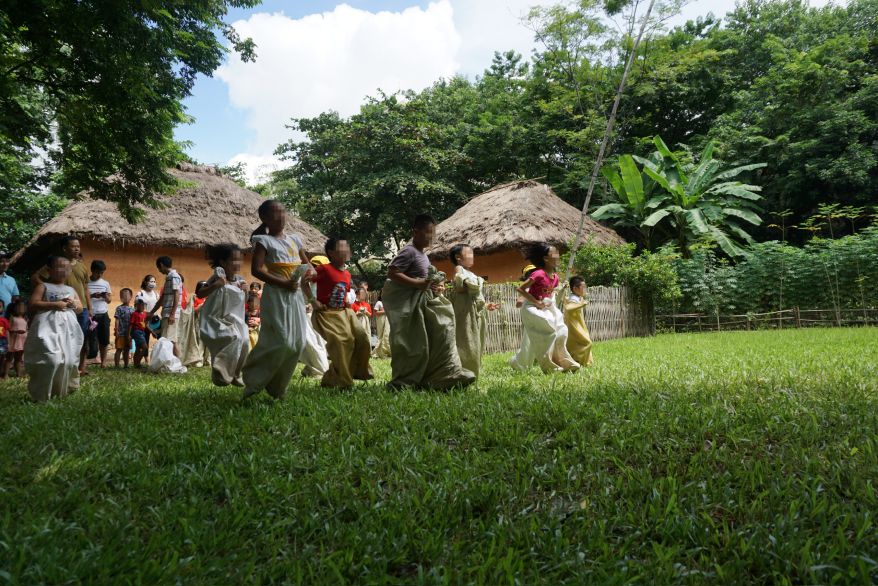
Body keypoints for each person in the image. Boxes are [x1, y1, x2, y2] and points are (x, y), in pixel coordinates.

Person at [383, 214, 475, 389]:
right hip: (414, 308)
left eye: (433, 233)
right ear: (415, 232)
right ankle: (406, 381)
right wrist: (418, 283)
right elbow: (392, 273)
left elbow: (423, 278)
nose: (431, 237)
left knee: (441, 336)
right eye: (427, 233)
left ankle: (442, 375)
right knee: (418, 343)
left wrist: (434, 284)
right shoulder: (408, 251)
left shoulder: (422, 254)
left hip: (426, 304)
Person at [241, 200, 311, 400]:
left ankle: (277, 389)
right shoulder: (263, 240)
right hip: (276, 295)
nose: (281, 217)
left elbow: (307, 265)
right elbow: (257, 269)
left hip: (295, 295)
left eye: (283, 212)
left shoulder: (295, 240)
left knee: (297, 343)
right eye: (275, 213)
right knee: (282, 341)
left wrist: (309, 274)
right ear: (264, 218)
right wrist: (283, 283)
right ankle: (253, 380)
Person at [306, 237, 373, 388]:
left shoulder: (347, 274)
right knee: (342, 342)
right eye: (342, 248)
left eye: (347, 247)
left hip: (345, 312)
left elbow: (344, 292)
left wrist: (349, 302)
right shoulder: (324, 269)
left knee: (362, 338)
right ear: (331, 253)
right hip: (327, 313)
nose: (347, 250)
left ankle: (351, 373)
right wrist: (313, 301)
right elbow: (304, 282)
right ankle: (343, 381)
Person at [510, 243, 580, 374]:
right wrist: (536, 302)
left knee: (561, 331)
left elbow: (549, 294)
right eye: (554, 254)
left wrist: (549, 300)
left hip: (544, 308)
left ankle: (564, 361)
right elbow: (521, 289)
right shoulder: (538, 274)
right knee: (550, 332)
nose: (558, 256)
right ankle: (549, 367)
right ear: (546, 259)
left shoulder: (555, 277)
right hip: (531, 308)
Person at [24, 255, 84, 402]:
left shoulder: (70, 289)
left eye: (67, 268)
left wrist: (73, 304)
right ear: (49, 270)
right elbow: (32, 304)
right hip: (47, 327)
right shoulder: (43, 286)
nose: (64, 270)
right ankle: (42, 394)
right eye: (59, 267)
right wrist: (55, 305)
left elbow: (80, 308)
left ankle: (60, 392)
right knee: (51, 359)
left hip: (68, 329)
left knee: (68, 360)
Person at [32, 235, 92, 376]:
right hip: (58, 309)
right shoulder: (56, 264)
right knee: (59, 337)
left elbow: (86, 288)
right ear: (65, 248)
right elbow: (35, 277)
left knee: (80, 337)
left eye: (78, 246)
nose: (77, 248)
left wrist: (90, 308)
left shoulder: (82, 267)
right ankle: (59, 364)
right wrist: (46, 287)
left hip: (79, 307)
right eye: (73, 246)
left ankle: (79, 367)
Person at [197, 243, 249, 387]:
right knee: (233, 338)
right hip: (216, 318)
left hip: (235, 319)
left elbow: (242, 302)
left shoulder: (240, 281)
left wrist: (245, 291)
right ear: (223, 262)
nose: (238, 263)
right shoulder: (217, 277)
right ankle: (220, 372)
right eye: (233, 260)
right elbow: (200, 293)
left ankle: (237, 374)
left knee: (244, 340)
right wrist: (216, 285)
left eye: (240, 260)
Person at [448, 243, 499, 378]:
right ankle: (464, 372)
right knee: (466, 340)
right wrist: (471, 285)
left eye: (473, 254)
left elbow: (475, 296)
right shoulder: (459, 268)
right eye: (469, 254)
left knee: (476, 341)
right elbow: (459, 286)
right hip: (465, 311)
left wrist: (487, 305)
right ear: (458, 257)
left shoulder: (471, 273)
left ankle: (473, 370)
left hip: (475, 310)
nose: (472, 257)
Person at [148, 256, 182, 358]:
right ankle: (177, 362)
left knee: (168, 340)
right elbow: (162, 298)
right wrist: (152, 312)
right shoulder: (169, 278)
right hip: (167, 313)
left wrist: (172, 314)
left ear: (161, 265)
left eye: (158, 268)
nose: (159, 270)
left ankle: (173, 362)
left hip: (170, 314)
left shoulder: (174, 276)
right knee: (172, 340)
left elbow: (176, 294)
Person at [564, 276, 595, 367]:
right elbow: (568, 308)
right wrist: (582, 304)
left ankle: (582, 362)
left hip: (578, 325)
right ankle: (581, 363)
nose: (585, 289)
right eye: (583, 287)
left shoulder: (577, 297)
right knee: (587, 342)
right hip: (574, 326)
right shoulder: (573, 298)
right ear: (575, 288)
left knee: (576, 345)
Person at [86, 260, 112, 368]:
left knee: (104, 339)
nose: (100, 275)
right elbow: (83, 297)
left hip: (103, 314)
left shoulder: (105, 283)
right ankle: (88, 359)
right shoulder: (86, 282)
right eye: (98, 272)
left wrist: (105, 296)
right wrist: (92, 296)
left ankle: (103, 362)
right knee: (89, 338)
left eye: (102, 273)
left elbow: (109, 300)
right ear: (92, 270)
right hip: (90, 315)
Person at [177, 275, 204, 368]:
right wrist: (202, 306)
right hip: (196, 322)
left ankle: (204, 358)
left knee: (204, 341)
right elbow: (193, 311)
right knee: (197, 339)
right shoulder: (195, 297)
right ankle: (197, 358)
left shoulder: (208, 297)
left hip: (206, 322)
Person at [5, 299, 27, 377]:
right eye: (19, 307)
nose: (21, 308)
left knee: (18, 358)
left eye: (23, 307)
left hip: (22, 341)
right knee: (9, 358)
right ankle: (5, 374)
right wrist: (16, 331)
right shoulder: (12, 317)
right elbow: (8, 328)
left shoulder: (25, 319)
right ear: (15, 308)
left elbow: (26, 329)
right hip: (13, 339)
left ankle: (18, 373)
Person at [113, 288, 134, 368]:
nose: (124, 297)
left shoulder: (132, 309)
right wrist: (117, 330)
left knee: (127, 349)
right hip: (121, 332)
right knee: (119, 349)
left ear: (131, 297)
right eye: (122, 296)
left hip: (129, 334)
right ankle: (117, 365)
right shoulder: (119, 308)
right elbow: (117, 320)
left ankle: (126, 365)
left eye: (127, 295)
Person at [130, 299, 150, 368]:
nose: (142, 307)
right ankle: (138, 362)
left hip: (142, 332)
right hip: (136, 332)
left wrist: (152, 332)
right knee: (144, 347)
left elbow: (145, 324)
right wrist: (128, 334)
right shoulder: (134, 314)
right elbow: (131, 325)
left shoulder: (144, 314)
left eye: (143, 305)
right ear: (136, 306)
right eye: (139, 305)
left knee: (138, 348)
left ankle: (136, 364)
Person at [372, 292, 391, 358]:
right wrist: (385, 311)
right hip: (381, 320)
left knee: (386, 335)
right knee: (381, 335)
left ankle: (386, 351)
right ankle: (377, 352)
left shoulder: (389, 303)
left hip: (387, 320)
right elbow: (375, 313)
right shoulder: (379, 303)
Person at [0, 301, 8, 378]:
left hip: (2, 341)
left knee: (2, 357)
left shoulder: (4, 320)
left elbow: (7, 331)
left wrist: (9, 342)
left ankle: (1, 371)